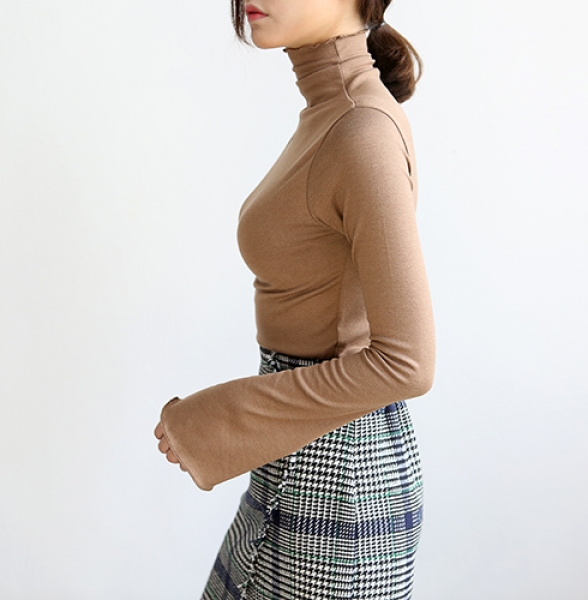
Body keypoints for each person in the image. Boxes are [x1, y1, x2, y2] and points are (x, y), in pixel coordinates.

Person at [154, 0, 435, 597]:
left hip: (339, 485)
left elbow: (407, 363)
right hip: (306, 454)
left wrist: (219, 419)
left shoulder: (361, 129)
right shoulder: (334, 113)